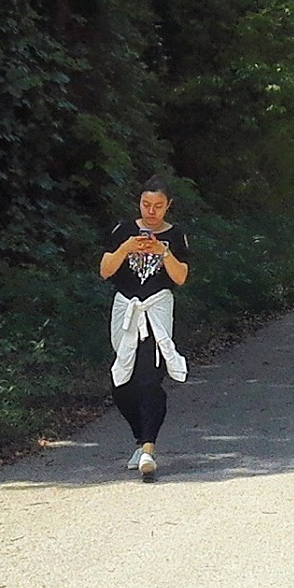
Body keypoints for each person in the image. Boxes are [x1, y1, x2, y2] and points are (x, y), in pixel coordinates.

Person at [101, 180, 192, 480]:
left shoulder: (176, 235)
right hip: (126, 310)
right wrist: (128, 247)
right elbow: (105, 270)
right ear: (139, 203)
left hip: (156, 310)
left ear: (168, 206)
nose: (151, 212)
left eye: (158, 206)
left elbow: (181, 277)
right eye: (146, 205)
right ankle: (141, 440)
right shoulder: (123, 230)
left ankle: (149, 451)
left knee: (149, 380)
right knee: (121, 385)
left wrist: (163, 252)